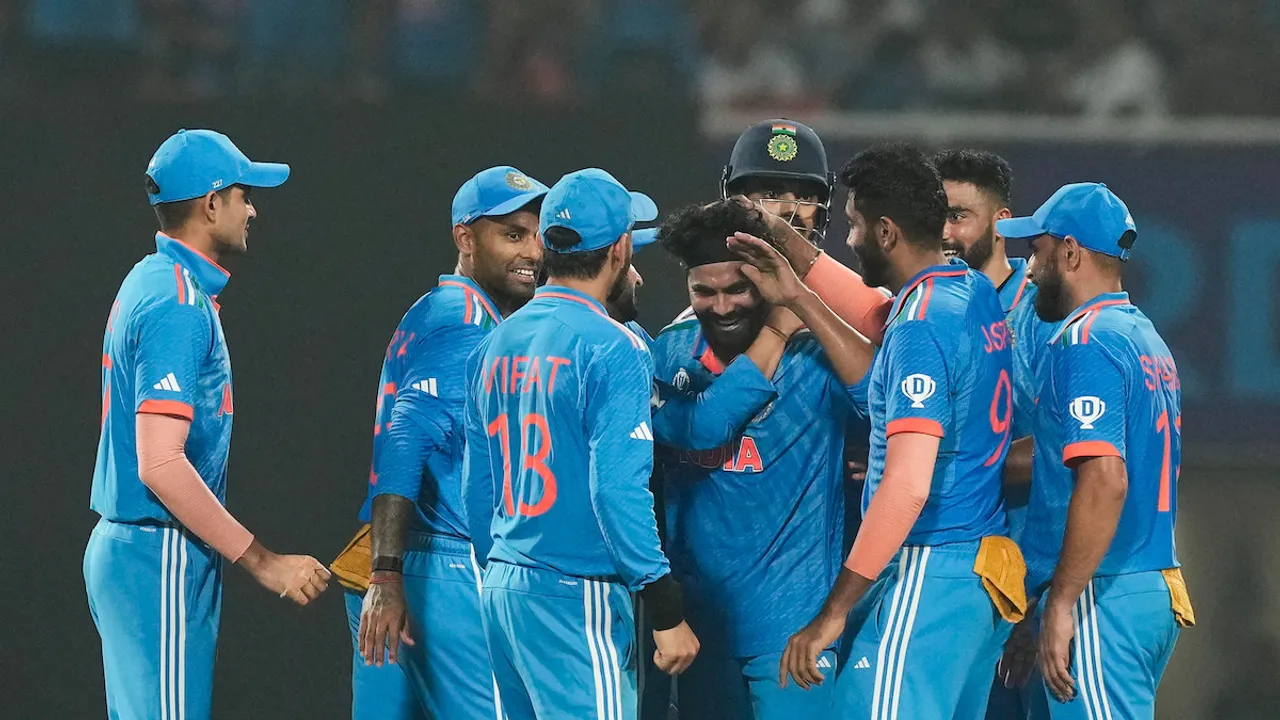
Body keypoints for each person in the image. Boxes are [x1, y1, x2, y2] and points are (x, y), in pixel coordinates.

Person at [85, 128, 330, 720]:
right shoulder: (176, 301)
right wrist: (264, 562)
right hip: (156, 552)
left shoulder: (154, 278)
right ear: (212, 203)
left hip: (142, 551)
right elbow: (161, 464)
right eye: (244, 194)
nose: (253, 208)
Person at [780, 143, 1025, 719]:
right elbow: (875, 314)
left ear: (886, 232)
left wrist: (834, 610)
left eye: (855, 225)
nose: (849, 239)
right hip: (978, 576)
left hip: (929, 569)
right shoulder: (969, 292)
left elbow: (908, 486)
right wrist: (789, 254)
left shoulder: (920, 327)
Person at [462, 168, 700, 720]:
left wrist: (501, 564)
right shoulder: (614, 347)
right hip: (576, 593)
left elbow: (478, 487)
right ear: (620, 249)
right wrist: (664, 608)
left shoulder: (495, 342)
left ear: (546, 244)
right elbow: (617, 488)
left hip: (503, 584)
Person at [329, 166, 549, 720]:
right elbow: (406, 435)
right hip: (436, 566)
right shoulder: (465, 321)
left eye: (537, 233)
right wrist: (387, 574)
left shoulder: (443, 309)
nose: (532, 251)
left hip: (400, 561)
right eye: (513, 234)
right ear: (465, 238)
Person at [649, 199, 875, 719]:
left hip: (793, 632)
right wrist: (776, 330)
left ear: (767, 284)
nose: (721, 306)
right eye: (704, 291)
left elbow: (882, 401)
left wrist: (805, 309)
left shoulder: (816, 355)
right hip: (700, 629)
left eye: (738, 289)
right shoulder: (667, 353)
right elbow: (698, 429)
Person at [997, 183, 1194, 719]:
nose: (1029, 269)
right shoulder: (1142, 336)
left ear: (1069, 252)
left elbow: (1105, 479)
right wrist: (1042, 609)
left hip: (1102, 595)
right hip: (1134, 585)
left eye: (1036, 251)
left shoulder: (1088, 341)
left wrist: (1062, 604)